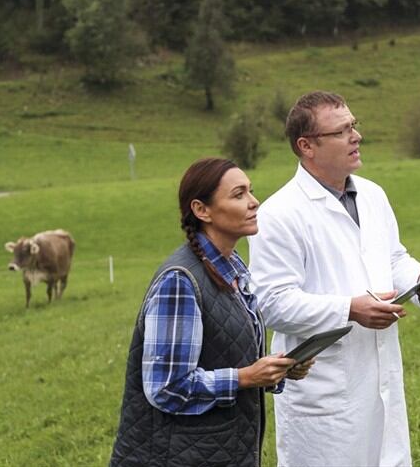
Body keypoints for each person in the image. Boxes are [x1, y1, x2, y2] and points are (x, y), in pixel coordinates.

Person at [249, 91, 420, 466]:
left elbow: (392, 257)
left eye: (354, 126)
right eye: (342, 131)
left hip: (379, 378)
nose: (356, 136)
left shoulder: (373, 195)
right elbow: (272, 302)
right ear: (306, 146)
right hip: (324, 390)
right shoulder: (279, 214)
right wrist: (350, 310)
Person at [110, 158, 314, 467]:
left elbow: (225, 355)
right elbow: (167, 387)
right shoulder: (180, 281)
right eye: (239, 194)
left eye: (251, 191)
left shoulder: (233, 269)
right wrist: (245, 377)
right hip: (174, 456)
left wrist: (275, 371)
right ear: (201, 210)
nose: (254, 202)